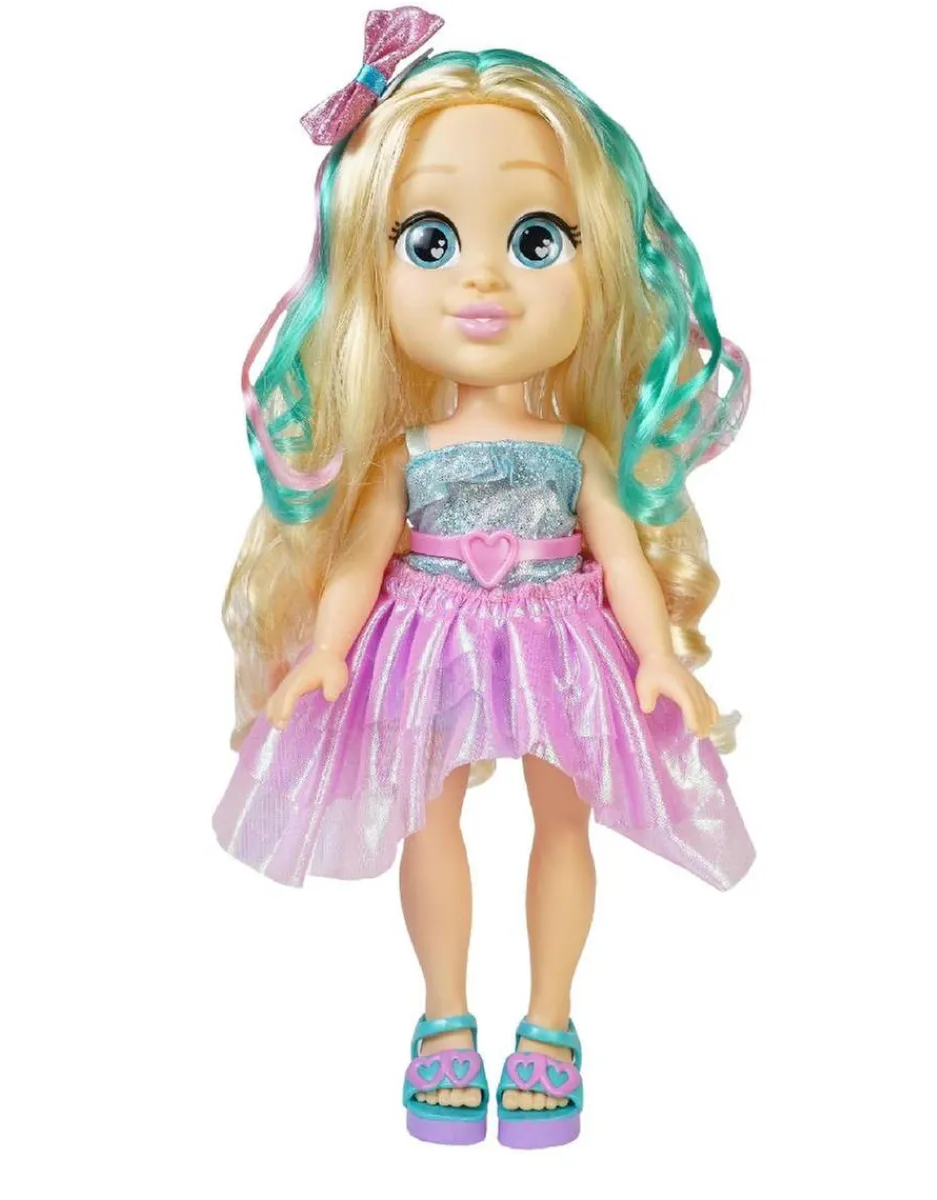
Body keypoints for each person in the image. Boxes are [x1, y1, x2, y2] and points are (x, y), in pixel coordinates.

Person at [213, 7, 754, 1149]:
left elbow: (619, 551)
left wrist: (661, 656)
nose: (485, 280)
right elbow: (362, 558)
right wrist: (323, 649)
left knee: (566, 815)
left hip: (565, 634)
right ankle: (444, 1018)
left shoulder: (579, 452)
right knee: (429, 814)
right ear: (370, 269)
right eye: (430, 242)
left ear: (602, 263)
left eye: (538, 239)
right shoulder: (403, 454)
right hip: (429, 636)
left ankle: (550, 1022)